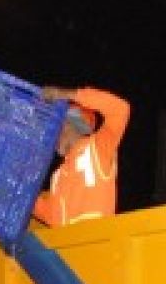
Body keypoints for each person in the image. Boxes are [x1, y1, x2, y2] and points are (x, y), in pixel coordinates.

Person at [32, 85, 131, 227]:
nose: (52, 136)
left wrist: (64, 93)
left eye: (56, 127)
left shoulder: (97, 148)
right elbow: (52, 216)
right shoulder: (58, 175)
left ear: (69, 125)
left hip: (94, 243)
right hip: (66, 246)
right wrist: (21, 195)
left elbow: (120, 109)